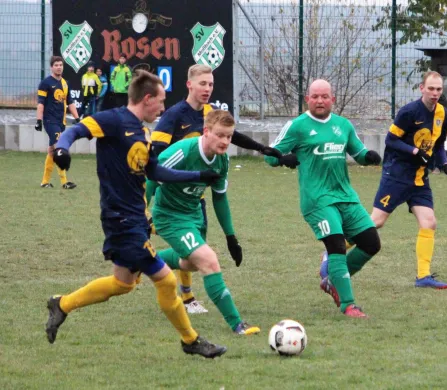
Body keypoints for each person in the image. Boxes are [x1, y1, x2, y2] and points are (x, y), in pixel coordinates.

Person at [44, 70, 227, 358]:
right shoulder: (113, 120)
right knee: (167, 280)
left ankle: (62, 304)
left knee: (122, 284)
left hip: (137, 219)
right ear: (147, 98)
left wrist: (198, 175)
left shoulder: (143, 131)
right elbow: (74, 130)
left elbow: (155, 171)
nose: (164, 108)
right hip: (121, 220)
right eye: (161, 101)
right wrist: (62, 149)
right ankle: (191, 340)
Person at [149, 64, 281, 314]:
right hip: (170, 195)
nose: (207, 89)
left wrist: (261, 148)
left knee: (195, 251)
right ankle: (187, 297)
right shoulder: (174, 115)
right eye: (202, 84)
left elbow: (232, 134)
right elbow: (155, 160)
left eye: (210, 84)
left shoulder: (211, 113)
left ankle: (180, 289)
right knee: (190, 247)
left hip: (195, 196)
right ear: (190, 84)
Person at [265, 79, 383, 318]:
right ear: (307, 99)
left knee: (372, 243)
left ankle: (332, 279)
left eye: (324, 96)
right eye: (315, 96)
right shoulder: (297, 126)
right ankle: (348, 305)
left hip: (345, 196)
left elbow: (357, 152)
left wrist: (368, 157)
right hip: (317, 199)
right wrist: (283, 158)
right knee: (337, 246)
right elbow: (270, 154)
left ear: (333, 99)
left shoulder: (343, 125)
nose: (320, 101)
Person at [146, 110, 260, 335]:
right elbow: (151, 178)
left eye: (229, 136)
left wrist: (231, 237)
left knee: (190, 263)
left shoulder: (222, 160)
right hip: (169, 215)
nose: (226, 141)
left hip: (194, 215)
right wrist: (142, 214)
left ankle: (148, 261)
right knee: (209, 261)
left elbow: (219, 197)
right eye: (220, 135)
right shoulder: (182, 152)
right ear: (206, 131)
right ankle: (237, 324)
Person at [370, 71, 447, 289]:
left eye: (439, 89)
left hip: (420, 178)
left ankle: (423, 276)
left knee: (429, 222)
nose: (435, 93)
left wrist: (445, 165)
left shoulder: (443, 114)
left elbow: (438, 145)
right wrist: (414, 151)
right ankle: (334, 251)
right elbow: (391, 141)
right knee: (376, 222)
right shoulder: (409, 112)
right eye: (431, 88)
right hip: (397, 175)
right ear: (422, 88)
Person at [35, 55, 79, 189]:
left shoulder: (65, 83)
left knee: (51, 151)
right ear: (51, 67)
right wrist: (39, 120)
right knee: (60, 148)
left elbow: (70, 102)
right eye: (56, 65)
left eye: (61, 65)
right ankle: (64, 182)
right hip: (50, 121)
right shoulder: (45, 83)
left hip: (61, 122)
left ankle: (44, 182)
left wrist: (77, 119)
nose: (59, 67)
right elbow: (40, 104)